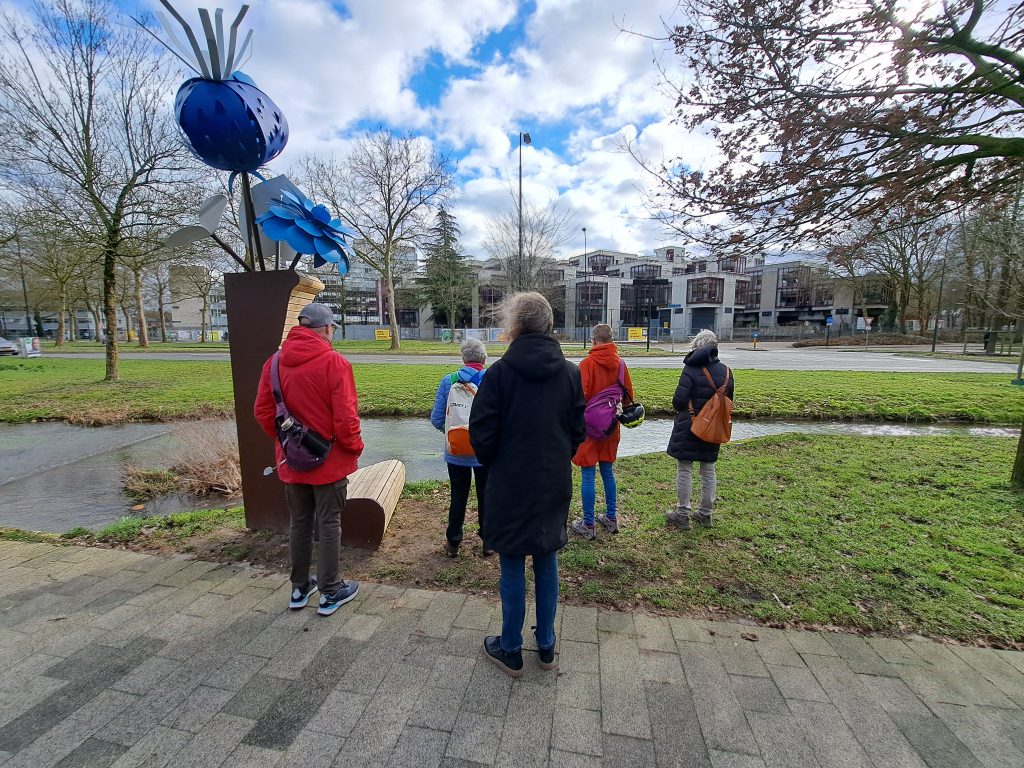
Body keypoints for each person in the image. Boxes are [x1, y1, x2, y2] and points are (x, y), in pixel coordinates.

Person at [469, 292, 585, 677]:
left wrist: (499, 464)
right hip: (552, 481)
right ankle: (547, 645)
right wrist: (556, 458)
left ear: (515, 326)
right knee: (547, 559)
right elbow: (578, 430)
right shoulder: (571, 374)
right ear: (550, 325)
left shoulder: (498, 374)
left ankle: (510, 648)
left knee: (512, 563)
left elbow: (481, 433)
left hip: (510, 483)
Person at [254, 303, 364, 616]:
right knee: (329, 524)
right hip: (330, 462)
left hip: (292, 461)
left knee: (299, 523)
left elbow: (263, 412)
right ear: (328, 328)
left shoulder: (274, 362)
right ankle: (331, 592)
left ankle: (300, 587)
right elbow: (346, 418)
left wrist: (287, 443)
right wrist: (354, 447)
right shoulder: (335, 362)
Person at [570, 323, 634, 539]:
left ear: (593, 340)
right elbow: (628, 397)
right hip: (611, 426)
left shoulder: (587, 364)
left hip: (589, 428)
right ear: (612, 340)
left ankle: (588, 524)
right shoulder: (621, 365)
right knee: (607, 471)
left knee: (588, 473)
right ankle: (611, 517)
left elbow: (578, 397)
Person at [666, 329, 734, 529]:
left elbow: (679, 401)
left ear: (696, 346)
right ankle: (705, 513)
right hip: (714, 426)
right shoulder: (727, 372)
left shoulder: (691, 369)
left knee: (685, 467)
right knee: (708, 468)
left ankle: (682, 513)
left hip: (689, 425)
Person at [430, 337, 491, 558]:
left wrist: (453, 433)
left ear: (463, 358)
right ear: (484, 358)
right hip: (485, 451)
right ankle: (488, 541)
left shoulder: (449, 381)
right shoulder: (492, 380)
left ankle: (453, 542)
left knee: (458, 495)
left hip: (455, 451)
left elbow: (437, 419)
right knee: (486, 494)